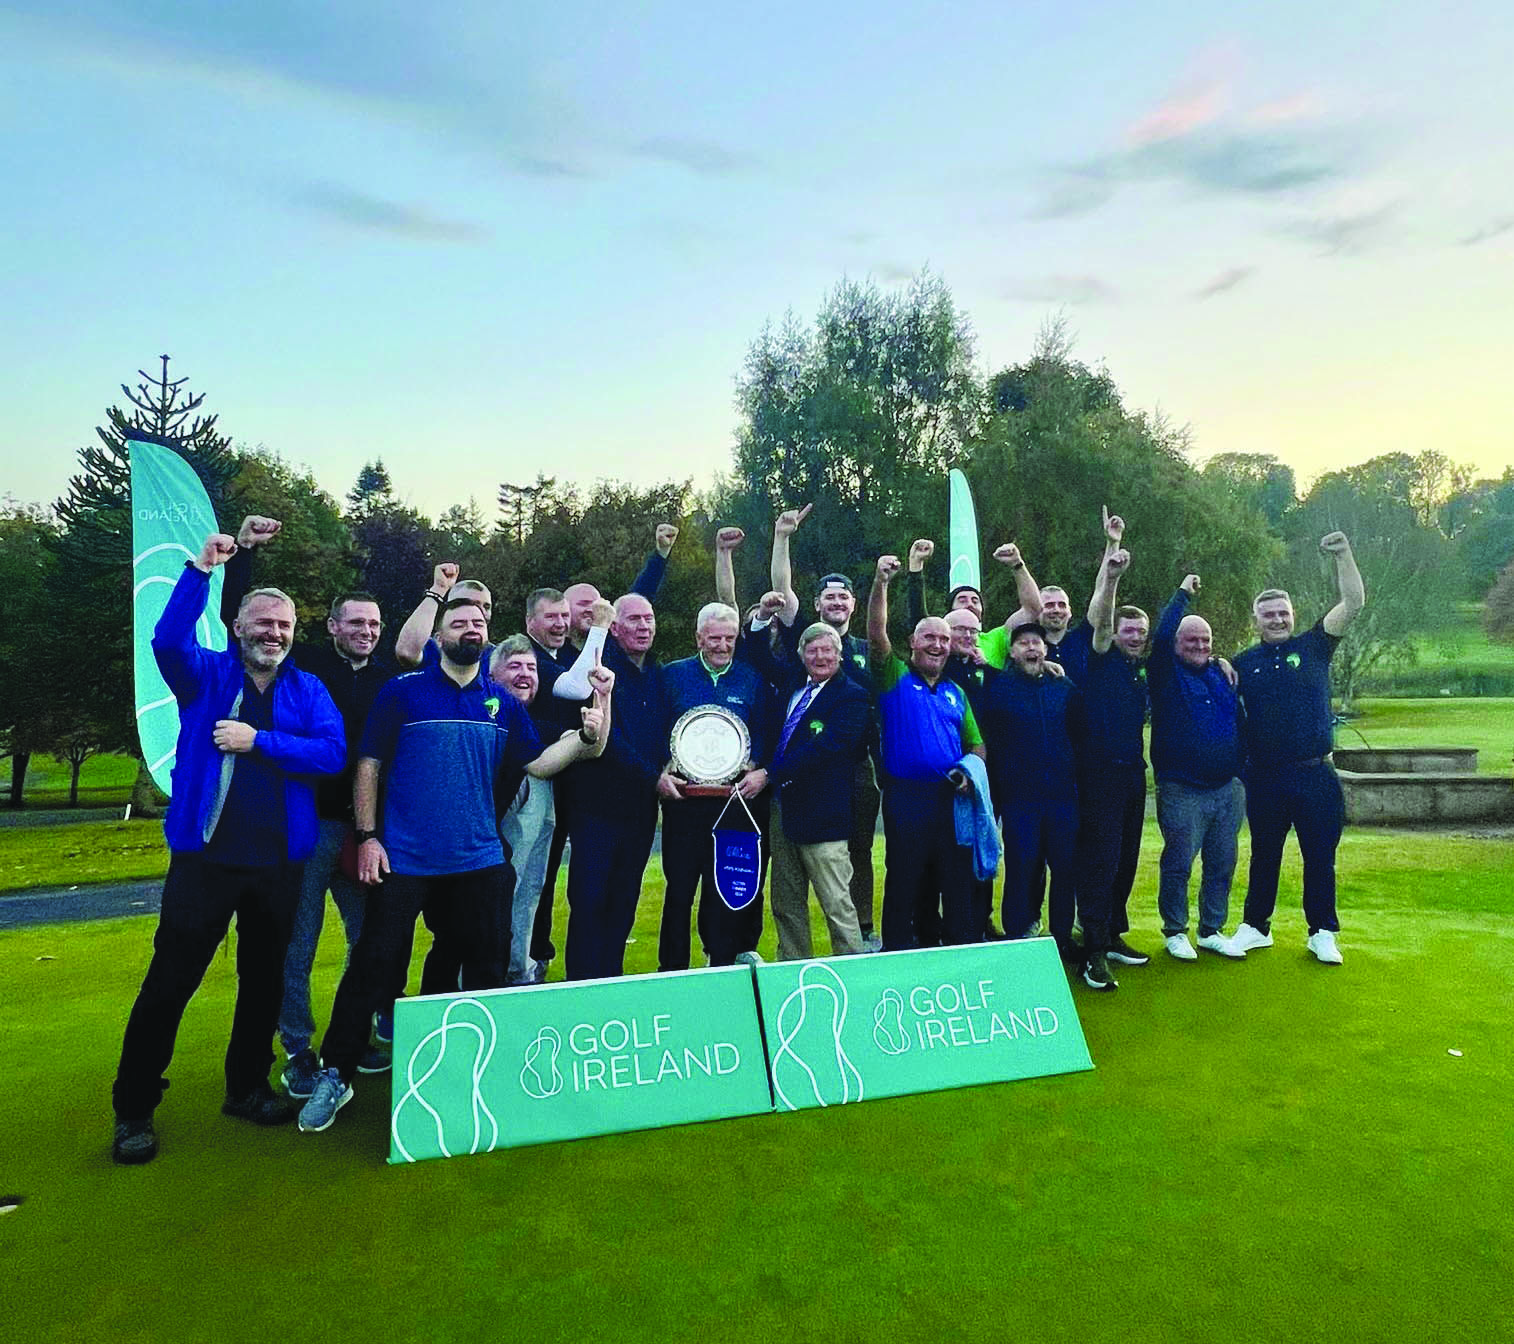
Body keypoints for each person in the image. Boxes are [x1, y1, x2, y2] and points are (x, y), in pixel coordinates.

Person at [297, 597, 611, 1133]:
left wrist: (585, 737)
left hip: (478, 860)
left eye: (479, 623)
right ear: (439, 634)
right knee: (373, 967)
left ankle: (472, 1072)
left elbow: (538, 762)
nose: (471, 628)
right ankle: (336, 1072)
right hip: (406, 858)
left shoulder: (501, 703)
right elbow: (368, 766)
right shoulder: (402, 692)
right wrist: (369, 837)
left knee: (484, 969)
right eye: (459, 622)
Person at [111, 532, 346, 1164]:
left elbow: (331, 753)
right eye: (262, 622)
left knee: (263, 984)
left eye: (284, 624)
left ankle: (245, 1088)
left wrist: (259, 741)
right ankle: (133, 1109)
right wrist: (201, 569)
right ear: (236, 625)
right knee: (170, 984)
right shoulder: (206, 674)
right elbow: (166, 642)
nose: (274, 633)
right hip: (205, 864)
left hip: (279, 867)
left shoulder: (307, 689)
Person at [216, 514, 394, 1098]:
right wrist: (243, 554)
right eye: (355, 622)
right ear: (332, 626)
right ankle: (298, 1047)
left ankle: (355, 1032)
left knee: (368, 942)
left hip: (366, 831)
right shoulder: (307, 664)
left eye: (373, 623)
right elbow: (239, 623)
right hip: (307, 829)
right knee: (298, 945)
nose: (365, 631)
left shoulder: (390, 679)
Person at [1230, 533, 1365, 965]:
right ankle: (1255, 927)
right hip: (1265, 774)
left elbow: (1354, 602)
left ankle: (1322, 931)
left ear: (1293, 615)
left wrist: (1343, 554)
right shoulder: (1242, 661)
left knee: (1319, 856)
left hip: (1315, 774)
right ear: (1257, 620)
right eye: (1268, 614)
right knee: (1264, 854)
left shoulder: (1314, 645)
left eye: (1282, 613)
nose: (1276, 620)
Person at [768, 504, 884, 951]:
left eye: (843, 597)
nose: (837, 602)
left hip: (856, 767)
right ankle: (799, 957)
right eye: (828, 597)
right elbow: (783, 588)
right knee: (796, 876)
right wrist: (783, 537)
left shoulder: (864, 648)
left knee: (853, 854)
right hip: (804, 775)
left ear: (852, 604)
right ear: (817, 604)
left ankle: (864, 931)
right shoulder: (805, 644)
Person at [867, 554, 987, 950]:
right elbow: (876, 633)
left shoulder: (956, 692)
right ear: (913, 643)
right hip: (906, 796)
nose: (937, 644)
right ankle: (898, 952)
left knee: (953, 879)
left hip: (950, 798)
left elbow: (977, 743)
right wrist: (881, 583)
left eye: (943, 639)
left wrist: (971, 771)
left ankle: (955, 952)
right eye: (928, 637)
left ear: (951, 646)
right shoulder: (895, 677)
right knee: (905, 878)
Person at [657, 602, 772, 969]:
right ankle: (671, 969)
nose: (722, 645)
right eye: (714, 638)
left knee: (725, 888)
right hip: (684, 802)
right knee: (679, 889)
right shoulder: (672, 675)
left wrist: (757, 767)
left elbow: (767, 731)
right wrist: (663, 769)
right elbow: (656, 731)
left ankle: (720, 964)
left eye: (729, 638)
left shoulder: (751, 678)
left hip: (734, 804)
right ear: (699, 637)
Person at [561, 592, 665, 980]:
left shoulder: (657, 673)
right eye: (634, 620)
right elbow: (610, 740)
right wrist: (654, 776)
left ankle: (611, 984)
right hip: (596, 809)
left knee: (624, 902)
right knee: (589, 902)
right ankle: (582, 987)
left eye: (649, 618)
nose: (644, 626)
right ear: (615, 627)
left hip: (640, 811)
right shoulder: (599, 669)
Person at [974, 621, 1087, 973]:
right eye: (1023, 643)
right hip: (1019, 797)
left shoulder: (1062, 686)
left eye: (1036, 643)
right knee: (1022, 868)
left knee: (1065, 870)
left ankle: (1062, 937)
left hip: (1062, 797)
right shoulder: (998, 687)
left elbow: (1080, 733)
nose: (1031, 649)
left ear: (1045, 649)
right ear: (1012, 652)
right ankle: (1018, 936)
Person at [1148, 574, 1247, 961]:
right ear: (1177, 644)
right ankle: (1175, 930)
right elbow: (1160, 636)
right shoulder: (1165, 673)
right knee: (1179, 861)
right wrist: (1183, 595)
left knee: (1222, 861)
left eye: (1206, 641)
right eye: (1192, 640)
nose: (1200, 646)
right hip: (1182, 788)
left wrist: (1241, 771)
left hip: (1226, 787)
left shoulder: (1221, 673)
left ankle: (1211, 929)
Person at [1073, 535, 1154, 985]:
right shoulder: (1101, 656)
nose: (1136, 636)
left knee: (1125, 859)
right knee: (1101, 862)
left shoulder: (1138, 667)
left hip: (1132, 776)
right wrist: (1112, 568)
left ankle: (1113, 935)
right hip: (1099, 777)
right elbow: (1100, 619)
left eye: (1141, 631)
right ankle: (1093, 951)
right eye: (1130, 630)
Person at [766, 625, 871, 959]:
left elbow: (827, 747)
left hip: (825, 816)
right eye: (812, 651)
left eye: (827, 650)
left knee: (837, 905)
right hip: (784, 811)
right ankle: (792, 972)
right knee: (786, 903)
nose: (820, 657)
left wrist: (769, 774)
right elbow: (758, 653)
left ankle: (852, 974)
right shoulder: (793, 689)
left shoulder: (852, 696)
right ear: (801, 656)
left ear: (839, 654)